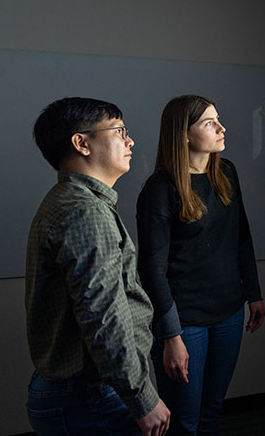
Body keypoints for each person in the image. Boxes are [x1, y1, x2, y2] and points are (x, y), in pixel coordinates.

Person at [25, 97, 170, 436]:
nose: (130, 141)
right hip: (91, 397)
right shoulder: (84, 211)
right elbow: (104, 315)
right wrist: (142, 397)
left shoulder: (72, 201)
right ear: (82, 143)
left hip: (79, 392)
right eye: (120, 131)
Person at [136, 95, 265, 435]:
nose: (222, 128)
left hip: (228, 313)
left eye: (218, 119)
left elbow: (242, 238)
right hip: (185, 321)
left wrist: (254, 293)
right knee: (184, 421)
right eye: (209, 123)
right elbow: (152, 270)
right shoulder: (159, 190)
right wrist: (171, 336)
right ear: (184, 135)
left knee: (211, 412)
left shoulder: (227, 172)